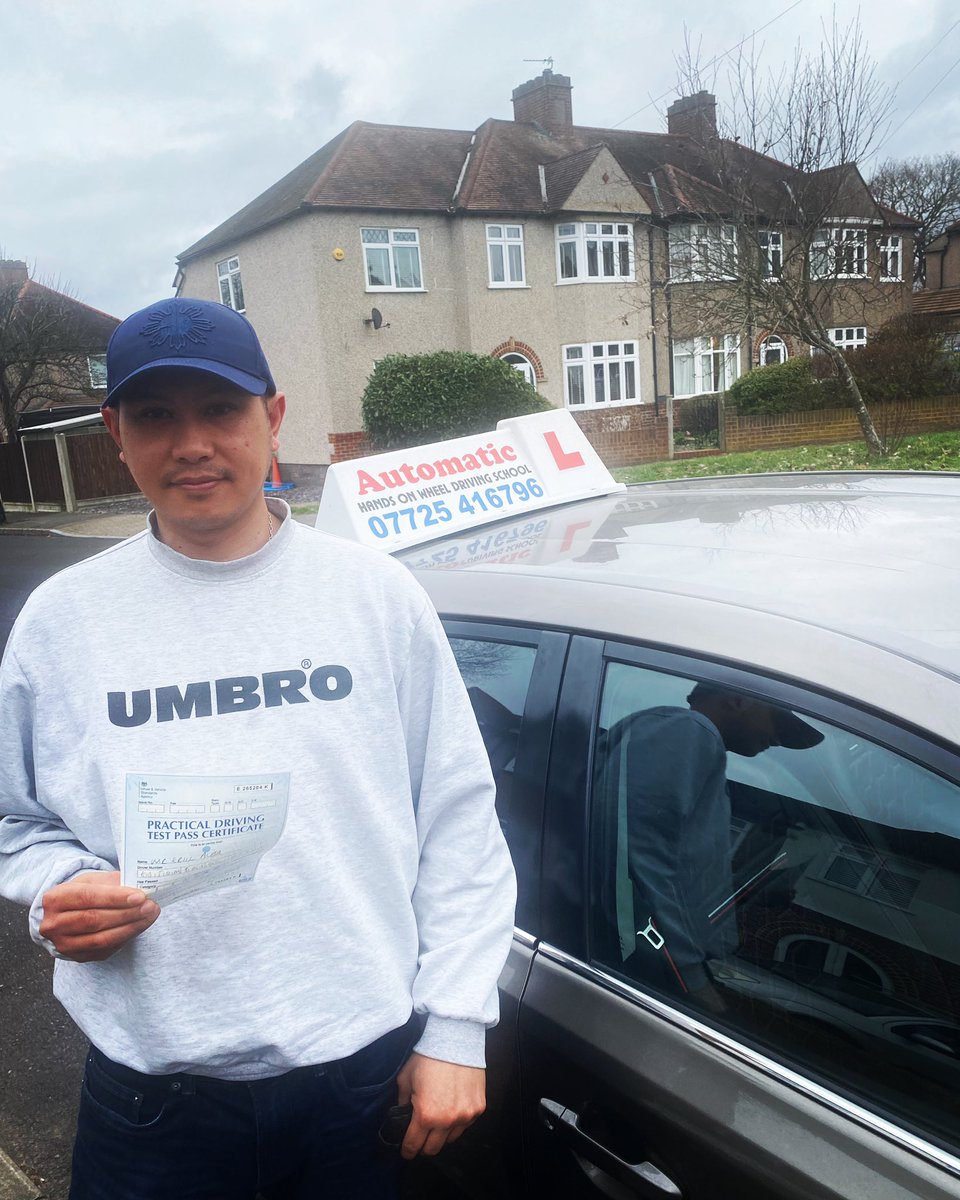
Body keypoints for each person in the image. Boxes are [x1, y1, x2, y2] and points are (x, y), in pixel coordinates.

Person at [0, 297, 517, 1199]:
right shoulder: (62, 623)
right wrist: (59, 887)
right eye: (157, 416)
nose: (191, 443)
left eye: (221, 410)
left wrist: (458, 1028)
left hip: (361, 1084)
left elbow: (460, 818)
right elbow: (16, 822)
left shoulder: (375, 597)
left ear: (272, 419)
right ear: (116, 433)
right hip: (153, 1105)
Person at [605, 683, 822, 1012]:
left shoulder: (696, 748)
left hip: (659, 968)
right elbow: (636, 861)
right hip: (655, 975)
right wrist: (692, 980)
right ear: (739, 697)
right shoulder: (690, 732)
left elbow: (678, 871)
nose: (778, 739)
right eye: (778, 721)